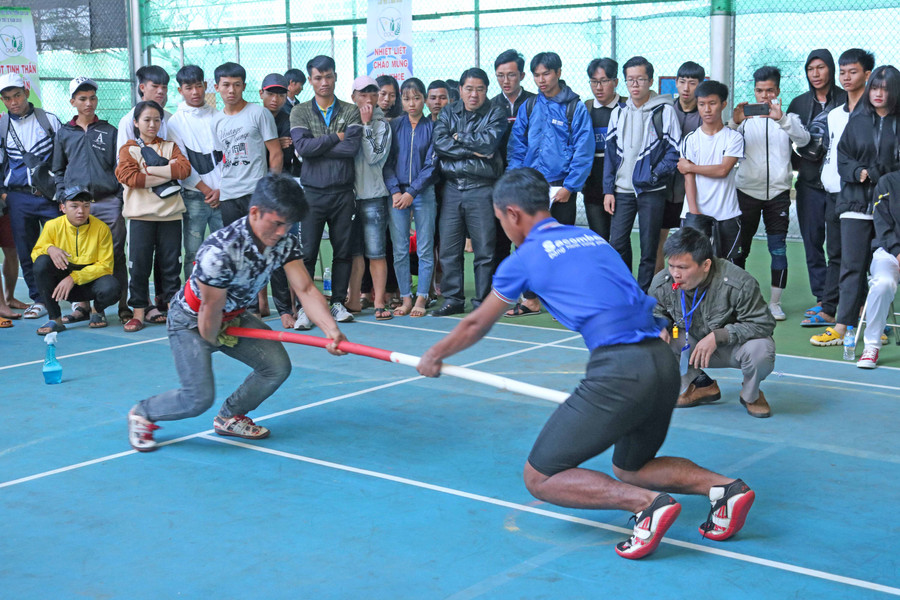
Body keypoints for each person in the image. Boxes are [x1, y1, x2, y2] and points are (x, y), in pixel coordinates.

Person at [417, 168, 756, 560]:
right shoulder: (588, 236)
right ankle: (725, 489)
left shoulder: (524, 257)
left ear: (512, 214)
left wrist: (435, 355)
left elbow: (478, 321)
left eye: (499, 220)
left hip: (620, 369)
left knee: (540, 476)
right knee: (632, 467)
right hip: (663, 363)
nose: (502, 228)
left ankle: (647, 505)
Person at [126, 174, 348, 452]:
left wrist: (331, 330)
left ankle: (229, 417)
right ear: (255, 212)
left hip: (233, 315)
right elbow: (209, 316)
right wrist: (213, 338)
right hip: (193, 322)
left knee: (276, 367)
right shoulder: (220, 252)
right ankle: (143, 412)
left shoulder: (284, 243)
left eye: (288, 225)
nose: (282, 232)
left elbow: (305, 288)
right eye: (277, 223)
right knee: (198, 398)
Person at [811, 66, 900, 350]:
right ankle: (841, 325)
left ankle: (876, 324)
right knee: (851, 265)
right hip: (854, 202)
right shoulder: (857, 120)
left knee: (883, 267)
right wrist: (861, 173)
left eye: (885, 88)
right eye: (875, 88)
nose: (878, 93)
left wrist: (882, 176)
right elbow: (843, 156)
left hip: (888, 206)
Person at [649, 227, 776, 417]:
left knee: (762, 350)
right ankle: (698, 384)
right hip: (690, 344)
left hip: (734, 347)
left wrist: (719, 336)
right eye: (672, 266)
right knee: (648, 340)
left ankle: (752, 394)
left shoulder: (738, 283)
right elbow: (654, 311)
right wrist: (659, 326)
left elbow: (763, 323)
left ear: (706, 265)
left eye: (683, 267)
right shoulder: (662, 282)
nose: (675, 273)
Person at [505, 51, 593, 317]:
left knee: (561, 246)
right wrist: (517, 179)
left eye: (546, 73)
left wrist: (570, 186)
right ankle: (530, 299)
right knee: (526, 244)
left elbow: (584, 149)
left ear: (558, 73)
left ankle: (563, 301)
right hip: (530, 189)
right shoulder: (529, 107)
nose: (541, 80)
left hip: (561, 189)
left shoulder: (574, 107)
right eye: (536, 75)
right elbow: (516, 147)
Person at [731, 66, 810, 321]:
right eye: (759, 91)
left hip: (778, 194)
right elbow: (722, 140)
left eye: (769, 91)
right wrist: (734, 121)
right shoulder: (744, 121)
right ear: (754, 91)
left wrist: (782, 119)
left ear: (777, 91)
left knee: (778, 249)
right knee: (740, 250)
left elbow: (805, 139)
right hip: (746, 192)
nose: (764, 96)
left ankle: (775, 303)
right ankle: (737, 302)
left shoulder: (787, 120)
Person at [290, 55, 362, 327]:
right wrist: (335, 138)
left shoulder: (350, 110)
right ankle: (306, 309)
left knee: (343, 251)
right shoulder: (299, 112)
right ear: (310, 80)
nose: (324, 82)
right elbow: (304, 150)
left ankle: (337, 304)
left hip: (343, 193)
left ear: (335, 77)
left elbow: (351, 149)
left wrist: (318, 146)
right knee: (306, 253)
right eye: (318, 77)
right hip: (311, 194)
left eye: (328, 76)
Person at [805, 49, 874, 329]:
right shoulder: (834, 115)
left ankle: (861, 312)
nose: (846, 77)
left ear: (867, 75)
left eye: (853, 71)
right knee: (835, 253)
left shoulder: (876, 114)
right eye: (843, 72)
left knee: (860, 259)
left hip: (862, 196)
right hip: (833, 193)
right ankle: (832, 308)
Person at [51, 76, 128, 325]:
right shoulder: (64, 133)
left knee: (114, 254)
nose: (88, 103)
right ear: (73, 101)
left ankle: (118, 305)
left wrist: (117, 197)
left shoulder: (109, 130)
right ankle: (82, 306)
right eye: (82, 99)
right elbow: (58, 170)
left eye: (92, 98)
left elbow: (119, 167)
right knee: (78, 255)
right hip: (76, 205)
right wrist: (65, 197)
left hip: (107, 203)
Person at [431, 67, 507, 315]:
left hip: (482, 189)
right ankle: (453, 299)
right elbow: (440, 144)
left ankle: (483, 301)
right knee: (449, 249)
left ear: (486, 91)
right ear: (461, 90)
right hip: (452, 188)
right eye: (469, 89)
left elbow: (489, 143)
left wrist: (458, 137)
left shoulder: (496, 112)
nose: (474, 94)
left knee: (484, 250)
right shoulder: (448, 111)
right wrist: (473, 147)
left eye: (480, 89)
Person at [603, 56, 681, 292]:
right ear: (624, 83)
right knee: (616, 243)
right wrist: (609, 190)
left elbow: (674, 152)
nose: (635, 85)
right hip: (622, 191)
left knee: (649, 248)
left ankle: (644, 294)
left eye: (640, 79)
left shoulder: (664, 111)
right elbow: (610, 155)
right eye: (630, 80)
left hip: (651, 192)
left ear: (650, 81)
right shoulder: (618, 112)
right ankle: (627, 289)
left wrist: (653, 176)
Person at [115, 100, 192, 332]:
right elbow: (130, 178)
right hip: (140, 218)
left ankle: (173, 310)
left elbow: (183, 170)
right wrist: (166, 173)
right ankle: (138, 312)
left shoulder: (170, 146)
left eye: (157, 120)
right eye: (146, 120)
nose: (152, 124)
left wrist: (148, 171)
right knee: (138, 267)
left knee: (171, 266)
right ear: (136, 122)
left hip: (170, 216)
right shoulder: (128, 149)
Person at [787, 50, 848, 317]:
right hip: (809, 185)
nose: (816, 73)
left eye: (821, 67)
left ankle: (843, 298)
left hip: (841, 187)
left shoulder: (847, 99)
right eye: (811, 68)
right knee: (812, 242)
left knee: (841, 246)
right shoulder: (798, 103)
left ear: (831, 69)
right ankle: (823, 298)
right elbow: (789, 145)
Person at [0, 72, 63, 321]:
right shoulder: (2, 126)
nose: (13, 101)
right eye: (7, 98)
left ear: (26, 92)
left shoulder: (48, 120)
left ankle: (71, 295)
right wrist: (4, 194)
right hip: (17, 199)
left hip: (49, 198)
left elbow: (63, 159)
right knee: (27, 251)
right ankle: (40, 299)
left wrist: (61, 192)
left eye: (16, 95)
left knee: (58, 249)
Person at [384, 77, 438, 318]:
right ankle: (405, 297)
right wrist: (396, 191)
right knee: (400, 249)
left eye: (417, 98)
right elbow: (386, 162)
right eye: (407, 99)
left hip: (423, 192)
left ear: (424, 99)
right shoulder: (394, 126)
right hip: (397, 194)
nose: (412, 103)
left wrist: (411, 192)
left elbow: (432, 165)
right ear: (401, 101)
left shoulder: (433, 127)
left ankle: (422, 297)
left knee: (425, 248)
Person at [31, 190, 120, 335]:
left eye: (86, 206)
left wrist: (74, 278)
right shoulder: (52, 226)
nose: (81, 211)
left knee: (112, 287)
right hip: (62, 287)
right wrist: (50, 248)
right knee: (42, 262)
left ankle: (96, 310)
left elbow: (105, 266)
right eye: (74, 206)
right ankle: (55, 319)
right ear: (63, 208)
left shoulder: (101, 228)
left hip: (89, 283)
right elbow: (36, 253)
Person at [167, 65, 224, 283]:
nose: (195, 92)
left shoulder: (219, 116)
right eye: (189, 88)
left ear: (206, 86)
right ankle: (192, 301)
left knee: (226, 249)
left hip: (223, 195)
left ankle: (227, 301)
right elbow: (182, 164)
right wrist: (208, 191)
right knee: (193, 252)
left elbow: (227, 157)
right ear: (180, 90)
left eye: (198, 86)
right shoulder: (175, 122)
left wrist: (221, 190)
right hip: (193, 197)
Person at [677, 80, 744, 262]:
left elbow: (723, 170)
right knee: (694, 267)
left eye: (712, 103)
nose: (707, 109)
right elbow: (688, 179)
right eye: (701, 104)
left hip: (727, 214)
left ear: (723, 104)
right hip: (695, 214)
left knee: (729, 267)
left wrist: (691, 166)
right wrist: (694, 213)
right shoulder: (690, 139)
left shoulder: (734, 138)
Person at [213, 62, 282, 226]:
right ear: (217, 87)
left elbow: (276, 152)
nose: (231, 90)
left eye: (237, 85)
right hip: (228, 194)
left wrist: (270, 187)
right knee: (234, 245)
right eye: (226, 85)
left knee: (260, 244)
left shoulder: (260, 113)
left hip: (256, 191)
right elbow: (222, 156)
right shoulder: (215, 120)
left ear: (243, 86)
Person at [348, 76, 393, 321]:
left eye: (372, 94)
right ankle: (353, 300)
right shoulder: (345, 120)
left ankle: (378, 302)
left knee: (376, 253)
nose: (368, 99)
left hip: (374, 197)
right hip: (349, 198)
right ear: (353, 96)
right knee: (355, 253)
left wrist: (366, 126)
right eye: (362, 94)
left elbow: (374, 156)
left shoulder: (382, 125)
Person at [259, 72, 301, 326]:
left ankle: (290, 306)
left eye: (281, 94)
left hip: (285, 192)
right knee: (258, 250)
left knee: (286, 249)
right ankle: (260, 303)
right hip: (255, 192)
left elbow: (294, 150)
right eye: (271, 93)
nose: (275, 99)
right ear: (261, 94)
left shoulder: (290, 118)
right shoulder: (252, 116)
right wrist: (273, 144)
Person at [657, 61, 705, 272]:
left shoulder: (706, 115)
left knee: (692, 243)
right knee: (659, 240)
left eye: (692, 83)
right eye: (682, 82)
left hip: (693, 190)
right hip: (664, 187)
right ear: (675, 83)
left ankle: (691, 288)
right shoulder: (665, 111)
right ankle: (660, 287)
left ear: (701, 85)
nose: (686, 88)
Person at [491, 49, 536, 270]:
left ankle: (530, 293)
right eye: (500, 75)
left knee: (528, 240)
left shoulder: (535, 103)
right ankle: (503, 291)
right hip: (498, 182)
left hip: (527, 182)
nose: (505, 81)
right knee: (500, 240)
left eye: (511, 75)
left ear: (522, 76)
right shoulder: (490, 106)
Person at [861, 169, 900, 367]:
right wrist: (898, 252)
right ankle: (872, 346)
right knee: (883, 283)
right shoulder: (888, 183)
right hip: (889, 253)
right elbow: (882, 225)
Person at [582, 57, 624, 241]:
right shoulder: (586, 108)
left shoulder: (627, 107)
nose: (598, 87)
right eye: (594, 81)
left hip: (621, 188)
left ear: (615, 81)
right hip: (593, 188)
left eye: (604, 81)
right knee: (599, 239)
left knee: (619, 241)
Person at [116, 65, 172, 149]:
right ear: (142, 87)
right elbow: (122, 158)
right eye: (155, 86)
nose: (161, 91)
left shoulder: (171, 119)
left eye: (164, 87)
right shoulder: (128, 120)